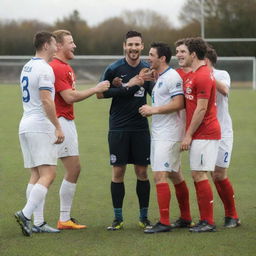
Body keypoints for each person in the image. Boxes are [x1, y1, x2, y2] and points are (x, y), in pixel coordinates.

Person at [48, 29, 110, 230]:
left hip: (62, 121)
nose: (74, 45)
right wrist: (95, 89)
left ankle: (54, 218)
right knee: (59, 171)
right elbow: (68, 97)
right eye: (70, 42)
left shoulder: (64, 67)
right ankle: (56, 218)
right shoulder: (58, 67)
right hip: (60, 122)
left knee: (56, 170)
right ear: (58, 46)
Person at [96, 30, 153, 231]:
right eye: (130, 45)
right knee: (118, 172)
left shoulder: (148, 68)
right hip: (118, 127)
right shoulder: (113, 68)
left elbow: (155, 93)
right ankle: (118, 219)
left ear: (142, 46)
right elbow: (100, 94)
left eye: (137, 45)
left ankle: (144, 217)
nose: (134, 48)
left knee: (142, 172)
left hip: (140, 128)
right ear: (124, 46)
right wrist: (130, 85)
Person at [139, 42, 193, 234]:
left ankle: (164, 222)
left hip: (169, 134)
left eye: (152, 55)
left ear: (162, 58)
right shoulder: (161, 76)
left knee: (159, 175)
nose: (148, 57)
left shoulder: (172, 77)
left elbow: (179, 103)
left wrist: (153, 110)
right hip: (162, 133)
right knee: (175, 175)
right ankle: (186, 217)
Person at [15, 31, 65, 236]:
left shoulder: (27, 66)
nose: (57, 48)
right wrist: (57, 126)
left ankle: (39, 222)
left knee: (36, 174)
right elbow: (46, 100)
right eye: (55, 44)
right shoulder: (45, 69)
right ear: (46, 45)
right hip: (39, 125)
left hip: (25, 124)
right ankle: (25, 214)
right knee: (49, 174)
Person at [179, 37, 221, 233]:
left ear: (193, 55)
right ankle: (204, 219)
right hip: (200, 133)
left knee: (199, 173)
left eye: (183, 52)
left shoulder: (203, 75)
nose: (179, 55)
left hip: (205, 133)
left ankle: (208, 221)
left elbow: (201, 109)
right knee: (197, 173)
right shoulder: (194, 74)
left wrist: (188, 135)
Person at [205, 46, 240, 228]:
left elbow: (225, 90)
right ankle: (213, 217)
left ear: (206, 60)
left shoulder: (220, 74)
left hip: (223, 133)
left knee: (219, 174)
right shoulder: (197, 74)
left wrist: (207, 74)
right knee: (212, 174)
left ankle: (232, 215)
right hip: (205, 132)